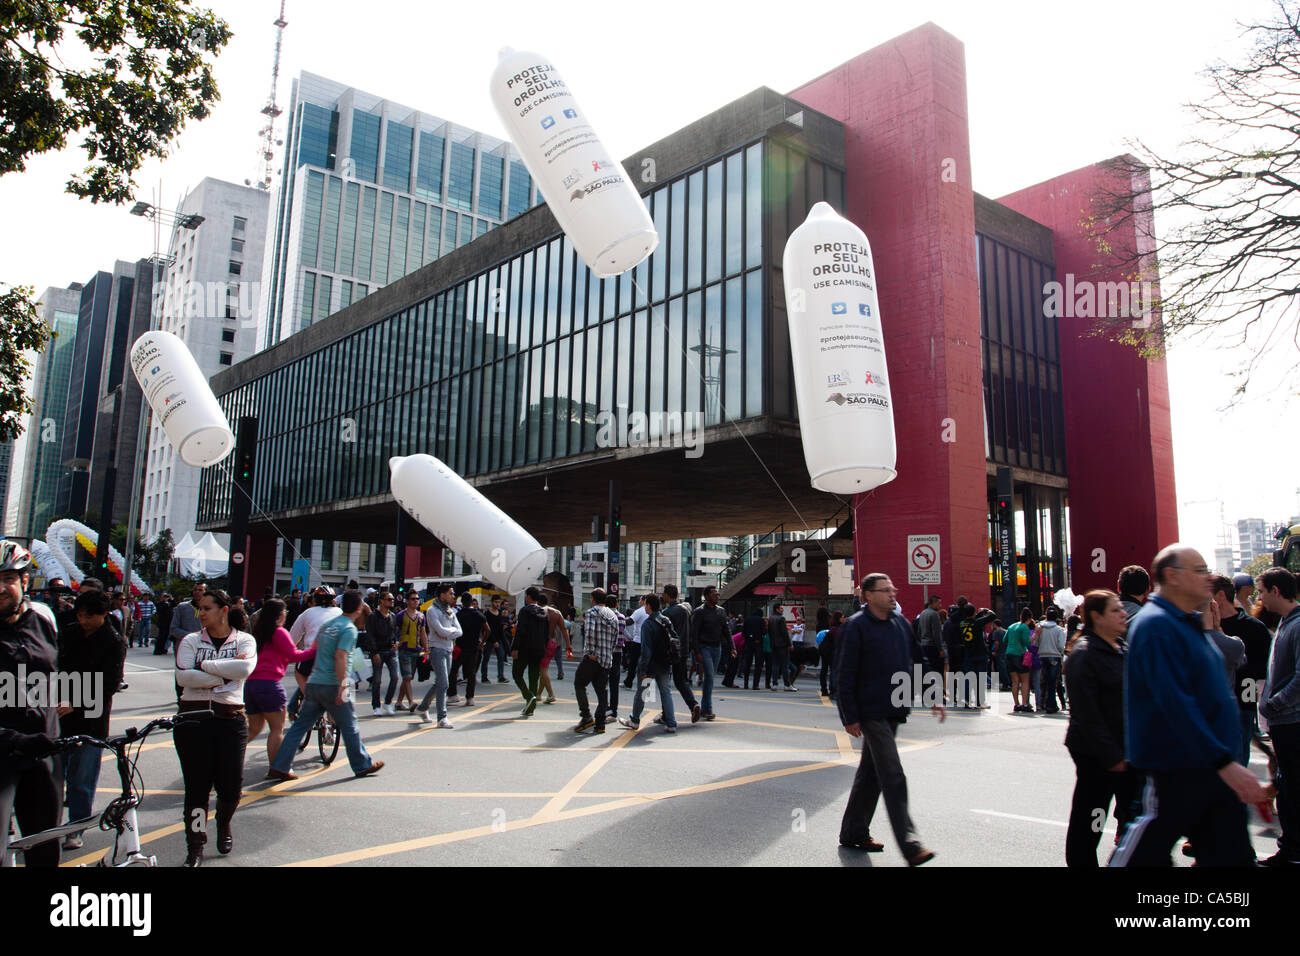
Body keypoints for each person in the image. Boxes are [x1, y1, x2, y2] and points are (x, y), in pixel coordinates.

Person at [1110, 545, 1268, 867]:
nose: (1207, 578)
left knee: (1233, 857)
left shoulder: (1189, 624)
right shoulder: (1156, 626)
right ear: (1172, 577)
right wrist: (1224, 761)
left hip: (1213, 769)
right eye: (1198, 571)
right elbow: (1175, 704)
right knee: (1143, 854)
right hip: (1178, 769)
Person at [836, 573, 941, 865]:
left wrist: (933, 695)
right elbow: (844, 674)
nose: (892, 594)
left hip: (894, 708)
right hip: (870, 712)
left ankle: (853, 831)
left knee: (870, 774)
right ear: (868, 595)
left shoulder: (900, 624)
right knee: (892, 774)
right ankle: (911, 844)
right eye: (884, 590)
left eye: (892, 589)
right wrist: (849, 716)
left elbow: (919, 659)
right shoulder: (855, 627)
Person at [173, 588, 257, 867]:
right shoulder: (190, 640)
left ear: (223, 610)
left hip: (230, 719)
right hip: (192, 719)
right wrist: (223, 677)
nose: (201, 614)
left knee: (231, 788)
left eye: (207, 608)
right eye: (200, 608)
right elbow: (184, 676)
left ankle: (223, 824)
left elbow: (243, 671)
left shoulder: (244, 640)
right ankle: (194, 845)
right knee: (196, 789)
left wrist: (206, 666)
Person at [267, 590, 384, 784]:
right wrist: (343, 685)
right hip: (332, 683)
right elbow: (341, 656)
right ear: (358, 607)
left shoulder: (328, 625)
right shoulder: (348, 628)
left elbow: (314, 649)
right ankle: (362, 764)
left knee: (299, 727)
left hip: (314, 682)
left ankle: (279, 765)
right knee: (350, 726)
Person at [1063, 590, 1139, 866]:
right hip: (1098, 756)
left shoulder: (1122, 648)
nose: (1123, 614)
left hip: (1126, 753)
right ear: (1097, 617)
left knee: (1134, 818)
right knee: (1092, 819)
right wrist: (1112, 756)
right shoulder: (1084, 654)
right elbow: (1087, 714)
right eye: (1116, 610)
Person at [0, 542, 62, 867]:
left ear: (25, 582)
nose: (0, 587)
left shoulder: (44, 619)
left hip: (42, 753)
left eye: (8, 577)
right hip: (2, 752)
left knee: (45, 850)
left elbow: (53, 671)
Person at [55, 588, 127, 849]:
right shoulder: (68, 634)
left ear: (104, 614)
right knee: (52, 776)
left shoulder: (114, 641)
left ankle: (76, 829)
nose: (83, 621)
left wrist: (75, 702)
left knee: (82, 780)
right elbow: (54, 668)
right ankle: (49, 828)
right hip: (60, 715)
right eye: (80, 615)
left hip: (91, 719)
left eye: (89, 616)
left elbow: (110, 683)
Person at [1256, 566, 1300, 866]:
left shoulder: (1296, 625)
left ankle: (1292, 850)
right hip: (1284, 722)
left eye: (1262, 591)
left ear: (1276, 591)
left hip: (1292, 722)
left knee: (1292, 789)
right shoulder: (1286, 623)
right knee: (1288, 787)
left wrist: (1273, 704)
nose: (1259, 598)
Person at [244, 598, 315, 765]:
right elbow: (294, 656)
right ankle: (277, 767)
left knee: (253, 729)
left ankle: (225, 757)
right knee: (277, 729)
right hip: (270, 685)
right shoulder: (279, 632)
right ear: (280, 615)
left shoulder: (258, 633)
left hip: (251, 685)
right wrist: (315, 649)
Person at [1212, 575, 1273, 766]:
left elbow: (1265, 668)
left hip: (1242, 705)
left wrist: (1249, 702)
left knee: (1238, 761)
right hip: (1212, 707)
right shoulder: (1200, 628)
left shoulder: (1254, 628)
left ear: (1220, 596)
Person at [618, 594, 678, 734]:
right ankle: (671, 723)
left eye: (646, 604)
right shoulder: (665, 620)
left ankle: (635, 720)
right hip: (664, 662)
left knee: (642, 693)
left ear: (649, 606)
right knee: (665, 692)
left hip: (650, 665)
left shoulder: (648, 624)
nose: (644, 607)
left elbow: (646, 650)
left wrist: (643, 669)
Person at [288, 587, 342, 715]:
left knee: (298, 672)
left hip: (312, 654)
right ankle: (331, 728)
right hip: (336, 656)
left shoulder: (308, 613)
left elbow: (292, 638)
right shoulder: (339, 612)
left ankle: (309, 697)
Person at [573, 588, 617, 734]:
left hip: (593, 658)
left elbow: (589, 632)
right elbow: (616, 638)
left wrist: (591, 652)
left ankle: (586, 716)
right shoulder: (613, 615)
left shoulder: (592, 613)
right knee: (602, 691)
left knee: (579, 683)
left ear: (593, 599)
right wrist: (608, 652)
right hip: (606, 658)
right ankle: (600, 724)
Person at [419, 583, 461, 727]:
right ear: (442, 595)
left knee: (440, 683)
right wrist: (450, 633)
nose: (453, 596)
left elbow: (459, 631)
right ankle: (442, 717)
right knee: (444, 683)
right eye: (450, 593)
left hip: (448, 648)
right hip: (436, 648)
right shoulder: (432, 611)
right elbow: (439, 630)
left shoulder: (450, 611)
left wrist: (447, 634)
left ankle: (422, 707)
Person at [691, 586, 735, 715]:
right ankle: (707, 708)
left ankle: (705, 708)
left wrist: (732, 647)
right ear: (707, 596)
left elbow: (726, 631)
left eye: (718, 594)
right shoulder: (699, 612)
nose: (717, 596)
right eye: (714, 594)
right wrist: (696, 651)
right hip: (704, 647)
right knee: (709, 676)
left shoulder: (721, 611)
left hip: (717, 647)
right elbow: (694, 634)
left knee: (710, 677)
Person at [661, 585, 702, 722]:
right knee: (681, 680)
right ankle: (693, 704)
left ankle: (666, 715)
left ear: (667, 595)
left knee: (664, 683)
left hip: (670, 650)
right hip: (684, 649)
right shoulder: (686, 610)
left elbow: (665, 634)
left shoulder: (667, 612)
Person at [512, 587, 550, 718]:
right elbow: (546, 634)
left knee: (517, 674)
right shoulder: (543, 613)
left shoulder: (524, 611)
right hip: (539, 649)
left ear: (528, 597)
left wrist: (515, 648)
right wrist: (544, 648)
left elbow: (521, 630)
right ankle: (531, 707)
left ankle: (529, 696)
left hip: (524, 648)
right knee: (533, 677)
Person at [452, 591, 488, 708]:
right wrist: (482, 643)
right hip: (473, 647)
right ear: (472, 601)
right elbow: (488, 630)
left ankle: (452, 694)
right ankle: (470, 698)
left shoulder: (458, 615)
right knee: (471, 673)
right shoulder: (479, 615)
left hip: (460, 646)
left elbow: (453, 631)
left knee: (453, 671)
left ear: (462, 602)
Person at [366, 592, 400, 715]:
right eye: (389, 599)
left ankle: (387, 702)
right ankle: (376, 706)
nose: (392, 601)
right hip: (378, 651)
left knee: (395, 677)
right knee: (377, 680)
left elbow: (394, 633)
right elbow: (370, 635)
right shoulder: (373, 616)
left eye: (392, 599)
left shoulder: (392, 616)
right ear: (381, 601)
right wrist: (374, 652)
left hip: (390, 651)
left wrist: (396, 642)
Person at [395, 591, 427, 711]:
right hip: (404, 649)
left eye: (417, 599)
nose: (415, 601)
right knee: (407, 677)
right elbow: (395, 631)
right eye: (413, 599)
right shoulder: (400, 615)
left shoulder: (421, 616)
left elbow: (423, 633)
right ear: (407, 601)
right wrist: (395, 642)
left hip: (416, 650)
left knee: (408, 677)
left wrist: (426, 649)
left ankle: (398, 702)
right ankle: (411, 702)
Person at [1032, 607, 1067, 714]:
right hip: (1054, 656)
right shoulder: (1058, 630)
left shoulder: (1040, 628)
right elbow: (1061, 646)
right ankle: (1051, 705)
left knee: (1044, 681)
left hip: (1042, 656)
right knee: (1053, 682)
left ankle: (1043, 703)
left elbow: (1036, 643)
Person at [537, 592, 570, 703]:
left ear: (538, 602)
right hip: (553, 643)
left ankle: (551, 694)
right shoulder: (557, 613)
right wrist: (568, 645)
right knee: (543, 668)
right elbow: (564, 629)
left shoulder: (538, 611)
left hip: (542, 644)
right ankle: (538, 694)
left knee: (543, 670)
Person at [1004, 608, 1034, 712]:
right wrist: (1036, 635)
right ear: (1029, 619)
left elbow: (1004, 640)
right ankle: (1025, 704)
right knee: (1025, 680)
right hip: (1020, 655)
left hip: (1009, 654)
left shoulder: (1011, 626)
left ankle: (1016, 704)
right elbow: (1027, 642)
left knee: (1015, 681)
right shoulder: (1024, 627)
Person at [170, 583, 205, 655]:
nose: (197, 592)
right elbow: (173, 629)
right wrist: (191, 636)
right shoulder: (182, 607)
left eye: (200, 590)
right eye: (195, 590)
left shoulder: (210, 609)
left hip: (203, 647)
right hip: (183, 646)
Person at [482, 595, 510, 684]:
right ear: (492, 602)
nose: (497, 604)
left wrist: (504, 642)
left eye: (498, 602)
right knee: (486, 658)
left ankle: (501, 676)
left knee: (501, 657)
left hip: (499, 639)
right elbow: (487, 629)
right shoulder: (487, 614)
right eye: (496, 602)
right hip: (489, 639)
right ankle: (484, 676)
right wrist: (493, 641)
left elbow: (500, 629)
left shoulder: (500, 613)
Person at [623, 595, 647, 689]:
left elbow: (629, 621)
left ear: (644, 601)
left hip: (637, 641)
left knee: (633, 663)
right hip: (647, 641)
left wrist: (620, 619)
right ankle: (646, 684)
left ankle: (629, 682)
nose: (639, 602)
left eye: (640, 600)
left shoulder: (639, 611)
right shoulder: (653, 612)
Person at [741, 607, 766, 690]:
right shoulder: (761, 620)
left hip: (748, 643)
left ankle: (746, 683)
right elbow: (764, 632)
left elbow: (743, 633)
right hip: (758, 643)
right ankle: (755, 684)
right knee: (758, 664)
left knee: (747, 663)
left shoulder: (747, 620)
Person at [820, 610, 843, 698]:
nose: (843, 618)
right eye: (842, 616)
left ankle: (825, 690)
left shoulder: (833, 628)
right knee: (833, 671)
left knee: (825, 670)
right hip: (831, 653)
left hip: (825, 651)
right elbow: (838, 642)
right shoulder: (836, 629)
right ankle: (833, 691)